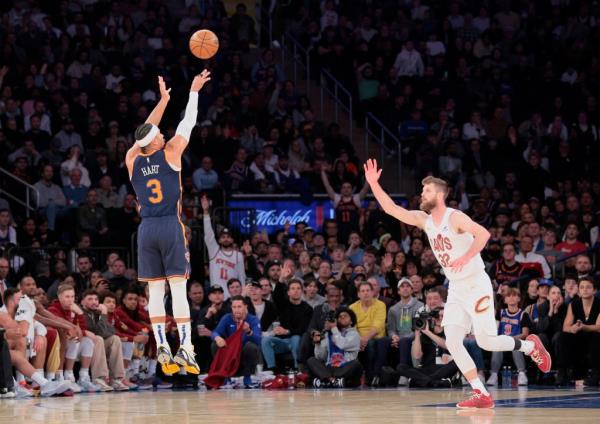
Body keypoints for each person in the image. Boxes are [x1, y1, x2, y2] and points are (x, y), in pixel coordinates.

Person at [364, 159, 550, 408]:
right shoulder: (425, 220)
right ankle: (481, 393)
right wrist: (374, 184)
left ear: (440, 195)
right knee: (452, 341)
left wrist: (466, 256)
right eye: (422, 190)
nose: (422, 193)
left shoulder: (455, 217)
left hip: (476, 284)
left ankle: (529, 346)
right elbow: (392, 209)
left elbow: (483, 234)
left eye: (427, 190)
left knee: (485, 340)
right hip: (456, 288)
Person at [126, 72, 211, 375]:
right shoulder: (171, 153)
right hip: (169, 227)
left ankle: (162, 344)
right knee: (178, 291)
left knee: (154, 294)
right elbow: (189, 121)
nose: (163, 134)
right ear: (155, 143)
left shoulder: (132, 158)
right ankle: (186, 349)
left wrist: (162, 101)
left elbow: (143, 133)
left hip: (146, 229)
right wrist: (193, 91)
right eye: (159, 134)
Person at [396, 307, 459, 388]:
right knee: (401, 367)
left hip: (444, 369)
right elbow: (416, 356)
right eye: (437, 316)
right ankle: (435, 382)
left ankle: (421, 381)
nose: (439, 318)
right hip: (426, 369)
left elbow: (448, 345)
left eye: (442, 316)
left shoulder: (451, 332)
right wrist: (417, 334)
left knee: (458, 362)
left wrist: (428, 333)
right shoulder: (425, 334)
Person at [211, 296, 262, 388]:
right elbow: (215, 332)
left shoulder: (253, 319)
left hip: (244, 354)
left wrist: (249, 331)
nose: (236, 310)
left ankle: (247, 378)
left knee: (251, 346)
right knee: (215, 344)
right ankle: (225, 377)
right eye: (234, 307)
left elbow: (258, 340)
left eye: (239, 307)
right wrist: (217, 337)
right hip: (230, 353)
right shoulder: (227, 318)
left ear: (245, 307)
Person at [557, 277, 600, 386]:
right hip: (579, 337)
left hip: (594, 337)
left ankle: (596, 374)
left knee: (597, 336)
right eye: (582, 287)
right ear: (579, 290)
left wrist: (583, 326)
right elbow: (565, 326)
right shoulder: (573, 304)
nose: (585, 290)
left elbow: (598, 327)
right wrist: (572, 328)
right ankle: (563, 372)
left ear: (594, 290)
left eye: (588, 287)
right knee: (563, 336)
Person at [201, 195, 246, 297]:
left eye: (228, 237)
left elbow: (241, 277)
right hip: (217, 296)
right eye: (223, 237)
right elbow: (209, 234)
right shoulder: (214, 251)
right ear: (219, 240)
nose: (226, 239)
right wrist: (206, 213)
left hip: (233, 297)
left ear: (232, 240)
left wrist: (243, 296)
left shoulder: (238, 255)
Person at [307, 306, 363, 388]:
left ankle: (325, 381)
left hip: (344, 368)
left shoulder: (354, 334)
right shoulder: (329, 334)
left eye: (345, 316)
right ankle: (333, 380)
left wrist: (333, 328)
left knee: (356, 364)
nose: (342, 317)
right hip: (329, 368)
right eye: (340, 317)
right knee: (311, 360)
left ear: (351, 321)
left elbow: (342, 344)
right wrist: (318, 344)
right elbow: (320, 357)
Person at [486, 288, 532, 386]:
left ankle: (522, 373)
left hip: (516, 341)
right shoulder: (500, 313)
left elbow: (525, 334)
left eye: (514, 295)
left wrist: (511, 339)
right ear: (505, 300)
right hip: (502, 341)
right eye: (508, 296)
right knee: (496, 345)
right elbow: (495, 330)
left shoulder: (523, 314)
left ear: (519, 299)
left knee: (515, 345)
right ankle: (493, 374)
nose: (511, 298)